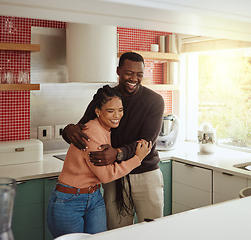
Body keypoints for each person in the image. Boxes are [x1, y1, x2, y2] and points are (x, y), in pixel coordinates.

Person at [62, 52, 165, 229]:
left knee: (153, 230)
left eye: (139, 74)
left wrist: (118, 153)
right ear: (118, 71)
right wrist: (68, 130)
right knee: (116, 231)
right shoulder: (105, 97)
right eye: (129, 73)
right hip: (115, 177)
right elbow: (80, 130)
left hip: (145, 174)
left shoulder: (154, 101)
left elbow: (147, 142)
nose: (134, 78)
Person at [47, 85, 152, 238]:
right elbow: (107, 175)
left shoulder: (106, 129)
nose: (117, 115)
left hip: (94, 197)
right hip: (69, 200)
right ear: (98, 111)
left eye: (120, 110)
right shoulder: (92, 133)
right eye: (110, 111)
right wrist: (138, 158)